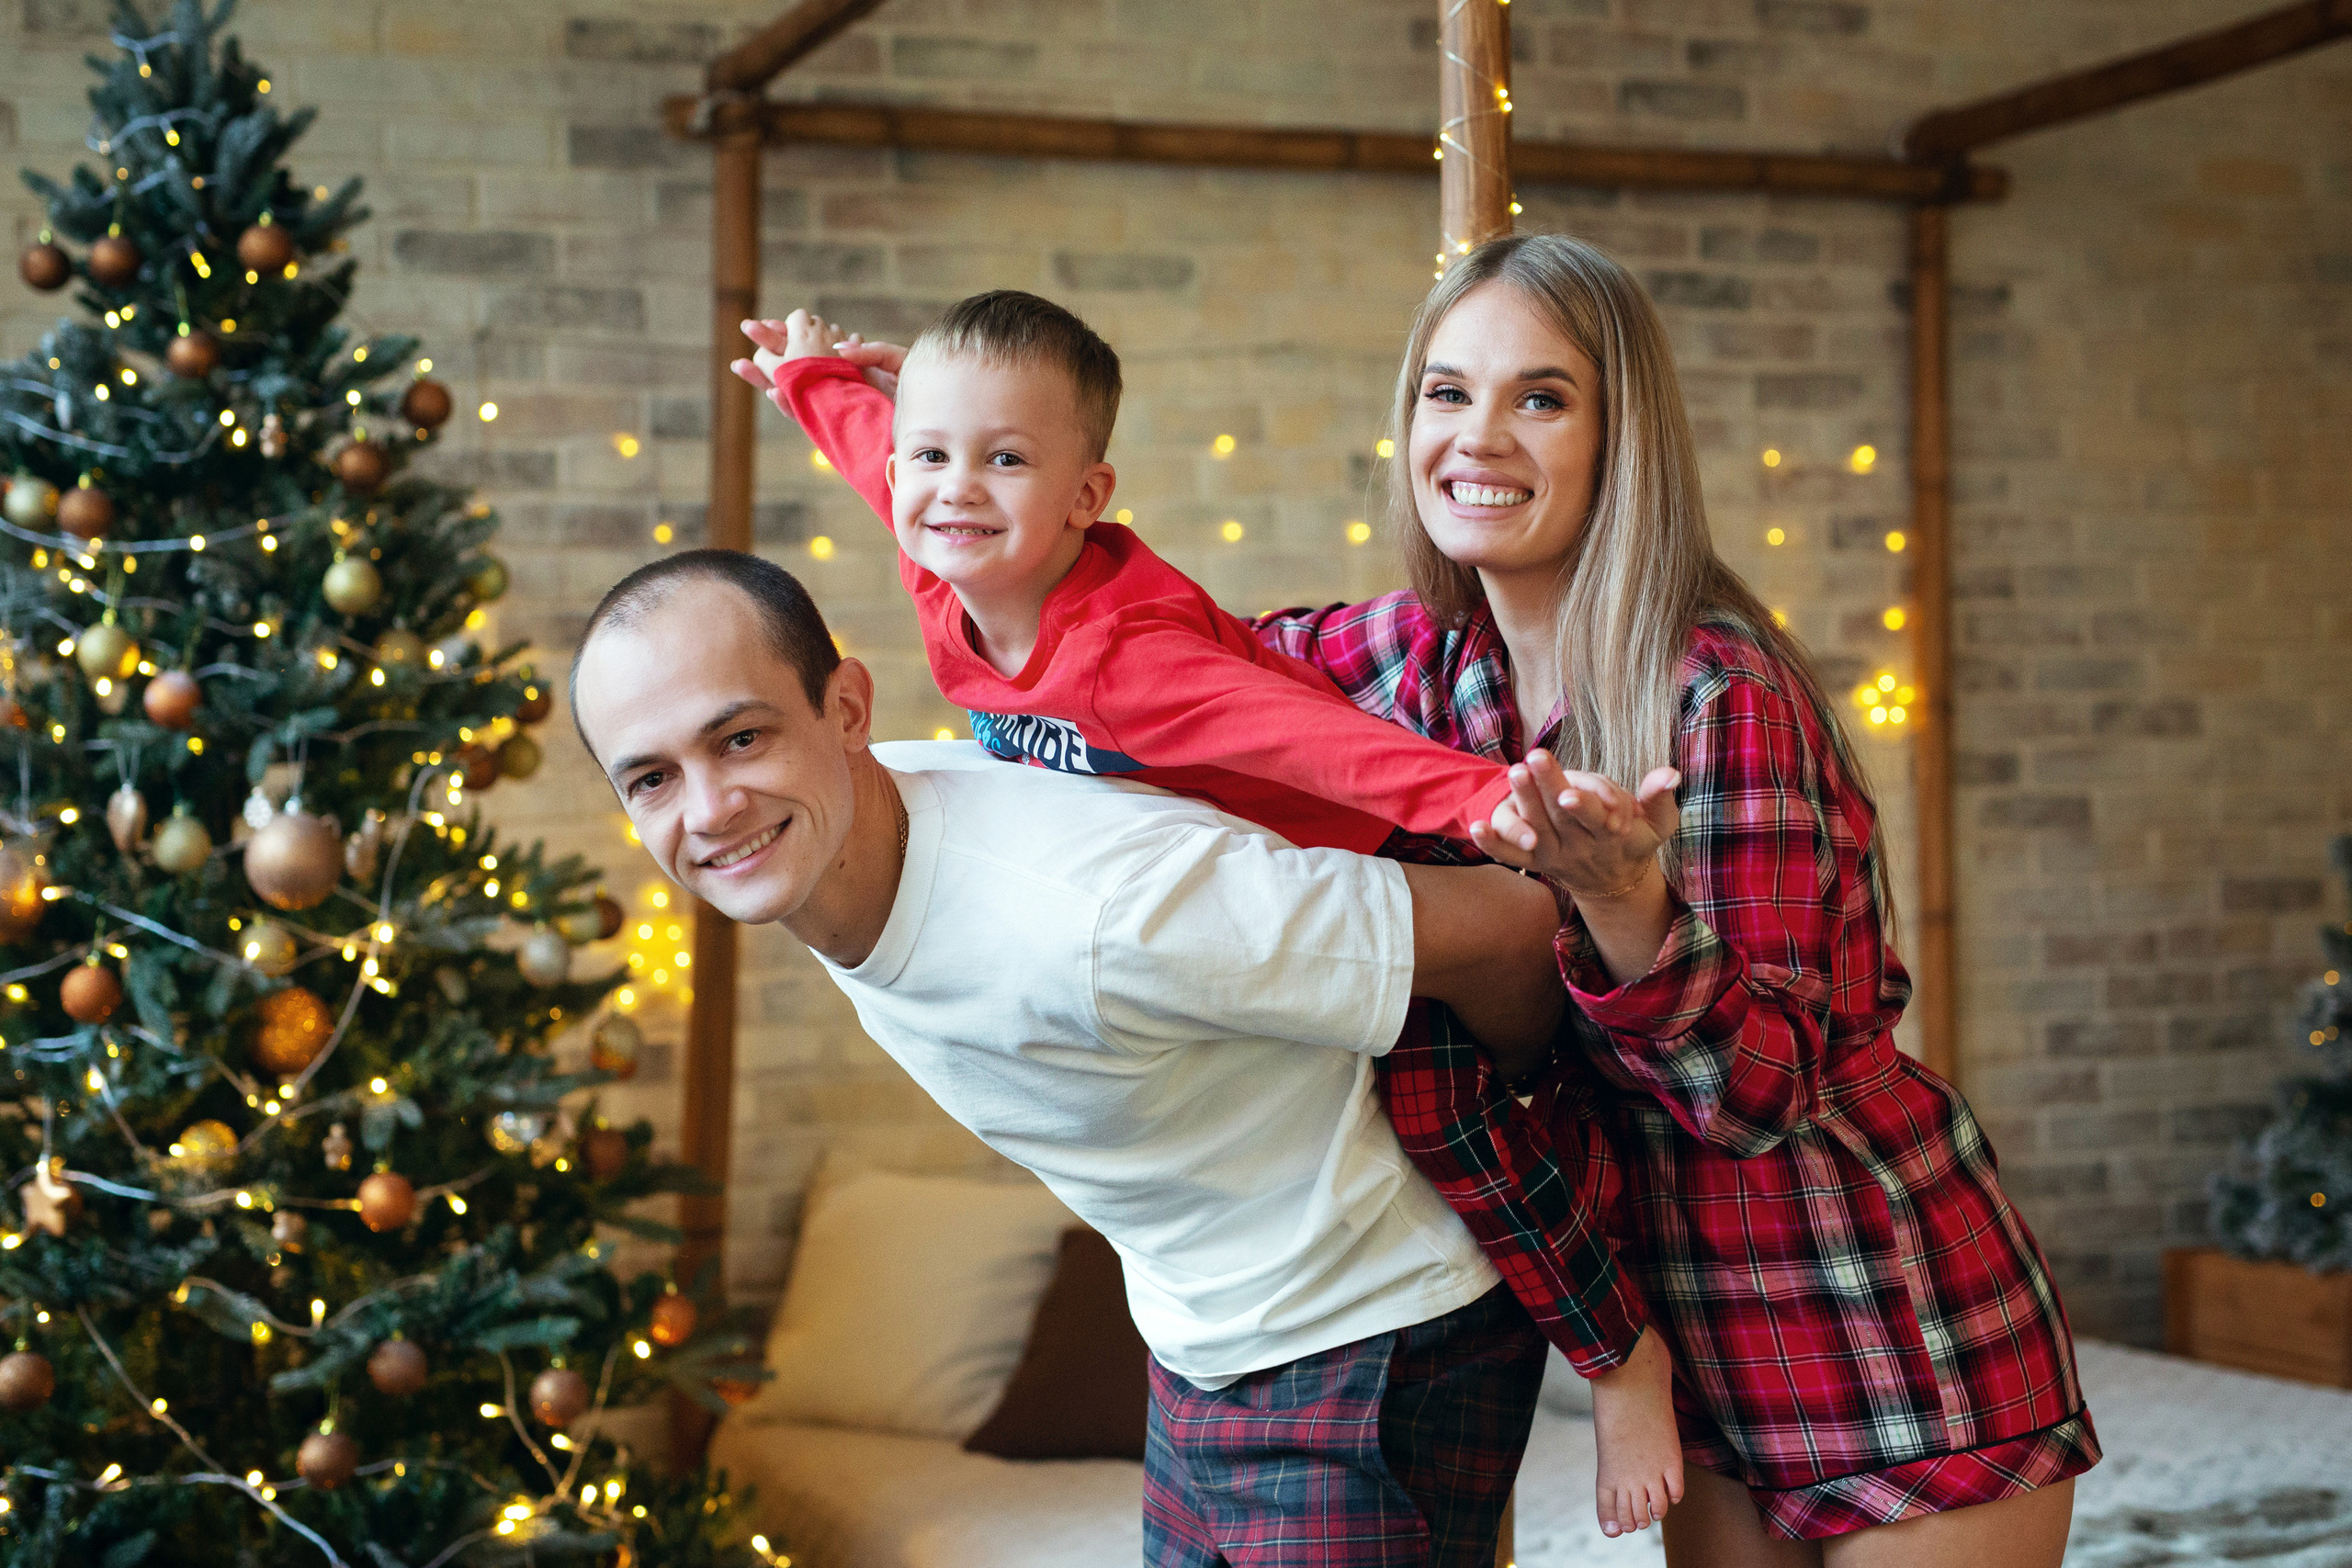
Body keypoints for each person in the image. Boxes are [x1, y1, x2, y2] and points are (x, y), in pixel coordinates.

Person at [805, 234, 2100, 1565]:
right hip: (1683, 1335)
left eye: (1540, 396)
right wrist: (954, 438)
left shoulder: (1717, 697)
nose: (1478, 434)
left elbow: (1761, 1097)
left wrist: (1629, 905)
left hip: (1871, 1311)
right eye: (1446, 391)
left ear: (1618, 438)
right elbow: (1173, 666)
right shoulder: (1424, 663)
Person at [732, 292, 1684, 1535]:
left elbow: (1329, 749)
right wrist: (811, 381)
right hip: (1260, 904)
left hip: (1375, 841)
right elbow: (878, 450)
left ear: (1087, 496)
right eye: (935, 456)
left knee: (1452, 1121)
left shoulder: (1128, 663)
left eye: (1005, 460)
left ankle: (1622, 1357)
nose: (954, 489)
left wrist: (1490, 803)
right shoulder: (942, 552)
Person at [570, 550, 1567, 1565]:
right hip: (1197, 1342)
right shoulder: (824, 843)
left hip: (1378, 1326)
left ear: (847, 710)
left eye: (741, 738)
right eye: (652, 778)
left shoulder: (1107, 909)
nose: (709, 809)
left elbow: (1515, 931)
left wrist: (1515, 1123)